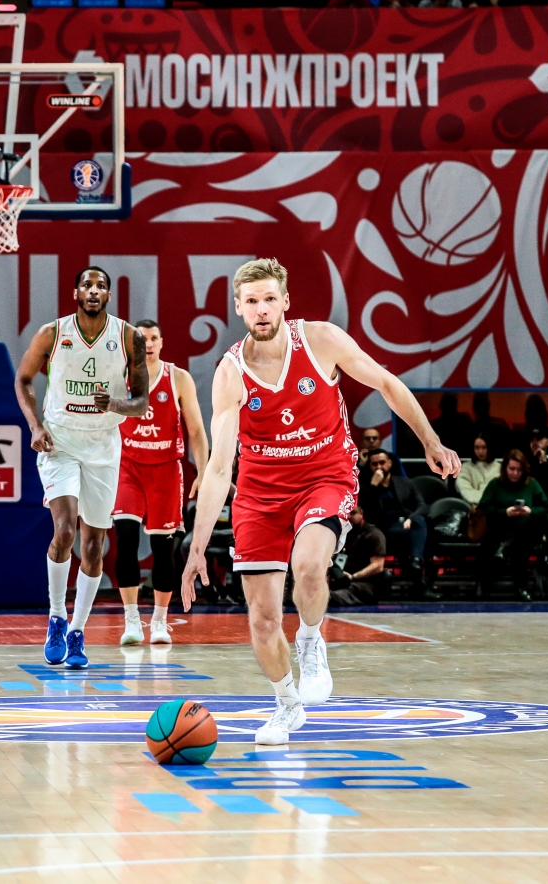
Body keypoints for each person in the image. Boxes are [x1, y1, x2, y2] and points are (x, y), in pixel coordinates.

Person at [181, 258, 460, 745]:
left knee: (310, 565)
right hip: (260, 491)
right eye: (252, 301)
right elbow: (221, 468)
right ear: (239, 308)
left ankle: (311, 641)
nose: (262, 309)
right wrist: (198, 546)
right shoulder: (231, 372)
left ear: (285, 303)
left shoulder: (320, 340)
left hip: (324, 476)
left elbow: (386, 383)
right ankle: (287, 705)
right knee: (262, 618)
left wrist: (430, 441)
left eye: (270, 299)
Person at [15, 267, 149, 669]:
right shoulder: (52, 333)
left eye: (101, 286)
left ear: (108, 295)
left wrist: (115, 404)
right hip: (61, 442)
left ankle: (77, 630)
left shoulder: (128, 337)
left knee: (93, 546)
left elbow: (140, 402)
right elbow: (23, 380)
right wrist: (35, 426)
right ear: (76, 293)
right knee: (65, 530)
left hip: (103, 446)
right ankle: (56, 617)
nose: (93, 291)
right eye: (87, 285)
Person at [112, 320, 208, 646]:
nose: (148, 344)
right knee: (125, 540)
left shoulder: (178, 378)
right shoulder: (118, 376)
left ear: (162, 342)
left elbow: (196, 430)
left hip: (165, 471)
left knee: (163, 550)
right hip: (128, 468)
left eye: (153, 338)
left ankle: (159, 621)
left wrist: (204, 473)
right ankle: (130, 619)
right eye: (141, 339)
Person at [479, 449, 548, 601]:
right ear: (505, 468)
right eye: (512, 469)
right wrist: (505, 512)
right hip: (500, 528)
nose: (515, 473)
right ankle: (516, 586)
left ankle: (504, 550)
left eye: (519, 470)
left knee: (524, 529)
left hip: (527, 530)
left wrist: (530, 510)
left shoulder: (532, 484)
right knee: (516, 543)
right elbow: (484, 508)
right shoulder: (495, 484)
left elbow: (545, 508)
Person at [360, 449, 430, 592]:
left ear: (390, 463)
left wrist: (410, 518)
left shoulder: (404, 482)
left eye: (382, 463)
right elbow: (365, 511)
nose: (379, 467)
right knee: (418, 535)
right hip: (384, 527)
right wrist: (373, 485)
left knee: (420, 521)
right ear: (370, 466)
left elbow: (422, 506)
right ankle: (417, 567)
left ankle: (415, 561)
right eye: (374, 464)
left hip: (406, 524)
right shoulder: (365, 486)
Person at [329, 506, 388, 606]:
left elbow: (378, 566)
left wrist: (352, 577)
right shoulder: (342, 534)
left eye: (353, 513)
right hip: (341, 581)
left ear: (361, 513)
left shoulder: (374, 534)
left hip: (365, 583)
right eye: (345, 514)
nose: (348, 516)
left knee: (334, 596)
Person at [456, 434, 501, 505]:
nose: (480, 451)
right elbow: (465, 490)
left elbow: (501, 492)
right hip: (471, 506)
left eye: (484, 447)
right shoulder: (465, 468)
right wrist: (482, 501)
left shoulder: (499, 468)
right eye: (477, 447)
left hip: (495, 506)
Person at [527, 430, 548, 500]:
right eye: (532, 440)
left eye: (538, 439)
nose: (534, 443)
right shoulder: (526, 461)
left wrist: (544, 462)